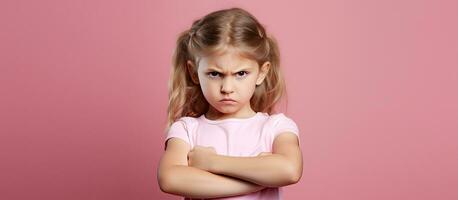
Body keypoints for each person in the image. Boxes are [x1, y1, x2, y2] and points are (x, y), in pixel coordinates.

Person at [157, 7, 302, 200]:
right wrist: (258, 181)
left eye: (241, 74)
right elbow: (170, 179)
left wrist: (213, 162)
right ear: (194, 73)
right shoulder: (186, 130)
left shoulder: (276, 127)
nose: (227, 87)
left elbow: (289, 170)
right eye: (215, 74)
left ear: (261, 73)